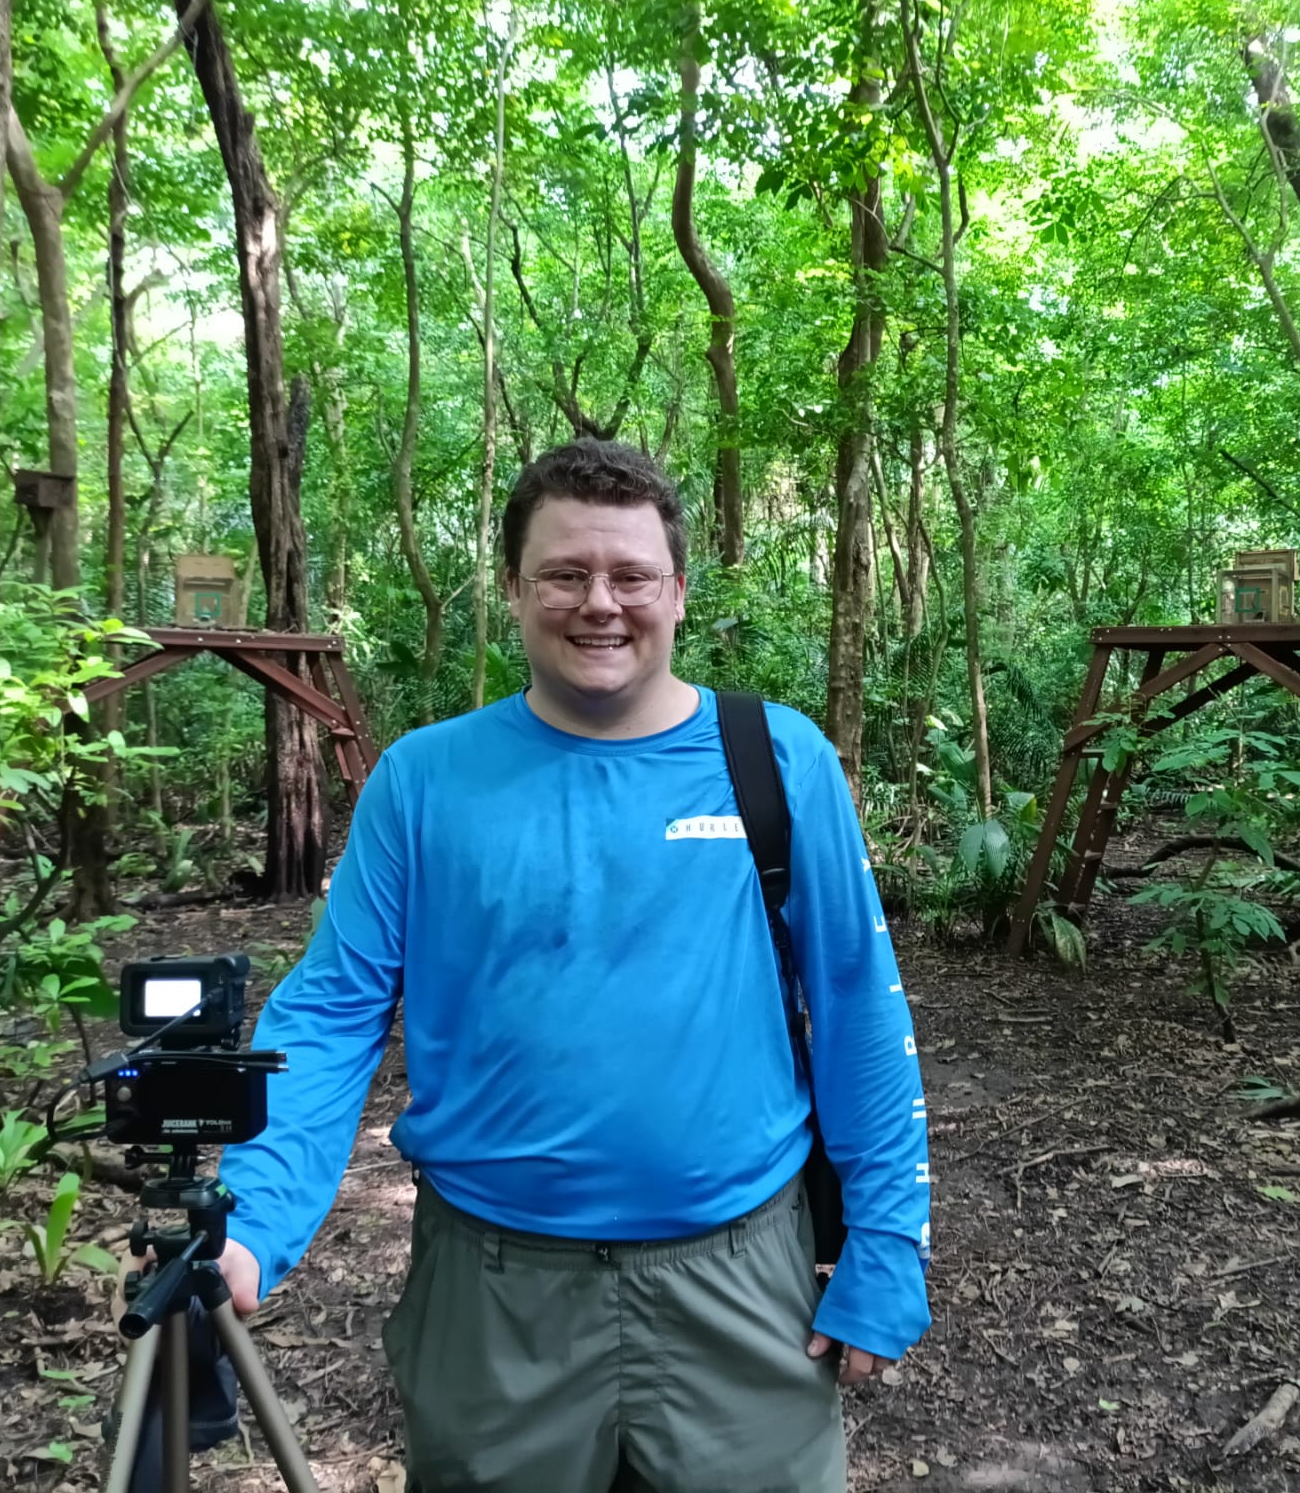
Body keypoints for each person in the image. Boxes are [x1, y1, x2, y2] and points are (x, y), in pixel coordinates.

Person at [208, 438, 933, 1492]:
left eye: (630, 575)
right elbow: (329, 1011)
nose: (601, 602)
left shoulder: (776, 761)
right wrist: (250, 1222)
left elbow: (859, 1007)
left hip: (741, 1285)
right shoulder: (423, 781)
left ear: (676, 591)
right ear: (512, 588)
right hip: (493, 1295)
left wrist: (886, 1244)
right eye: (564, 574)